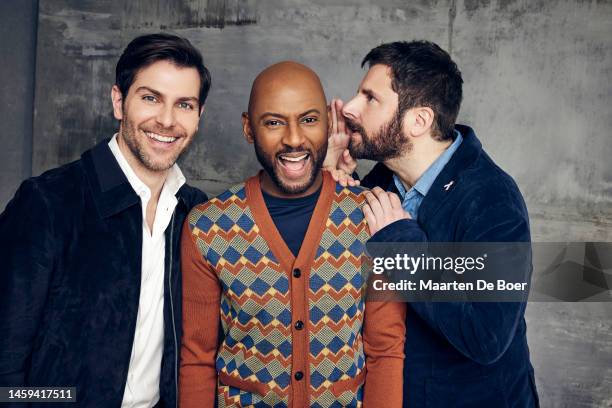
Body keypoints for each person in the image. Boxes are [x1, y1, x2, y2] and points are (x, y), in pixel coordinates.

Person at [325, 40, 539, 407]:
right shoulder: (379, 182)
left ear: (419, 120)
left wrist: (400, 247)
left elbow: (486, 336)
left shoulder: (493, 199)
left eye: (370, 98)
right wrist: (332, 181)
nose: (350, 108)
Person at [179, 61, 406, 407]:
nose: (294, 139)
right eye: (273, 123)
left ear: (329, 124)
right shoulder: (208, 227)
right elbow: (197, 357)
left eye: (309, 120)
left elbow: (385, 349)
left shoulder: (371, 218)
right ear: (248, 128)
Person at [0, 33, 209, 407]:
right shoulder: (48, 203)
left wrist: (326, 172)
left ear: (198, 116)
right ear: (118, 101)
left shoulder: (197, 214)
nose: (166, 120)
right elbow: (5, 368)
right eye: (150, 98)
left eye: (184, 105)